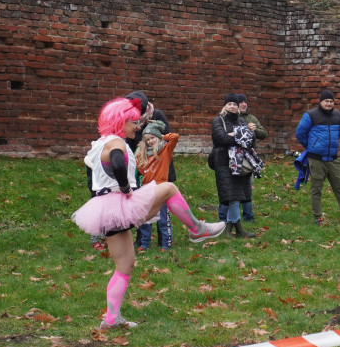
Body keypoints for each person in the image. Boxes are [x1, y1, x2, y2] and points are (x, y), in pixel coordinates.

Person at [72, 97, 225, 329]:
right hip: (120, 204)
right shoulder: (117, 143)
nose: (137, 126)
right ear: (121, 122)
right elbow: (118, 162)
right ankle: (197, 229)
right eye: (134, 122)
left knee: (125, 265)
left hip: (106, 209)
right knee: (169, 188)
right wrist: (125, 188)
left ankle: (111, 319)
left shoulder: (100, 143)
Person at [295, 89, 340, 226]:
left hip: (333, 158)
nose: (329, 104)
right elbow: (300, 133)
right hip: (316, 159)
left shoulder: (338, 116)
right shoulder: (310, 115)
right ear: (321, 101)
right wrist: (312, 146)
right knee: (316, 189)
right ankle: (318, 217)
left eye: (331, 101)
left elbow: (339, 133)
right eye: (326, 101)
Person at [210, 94, 256, 238]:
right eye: (229, 104)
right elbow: (221, 138)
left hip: (240, 163)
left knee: (235, 196)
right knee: (232, 196)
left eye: (235, 104)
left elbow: (250, 140)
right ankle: (237, 229)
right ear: (225, 106)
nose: (232, 106)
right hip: (223, 162)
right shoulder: (218, 120)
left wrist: (235, 134)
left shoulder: (242, 121)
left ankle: (231, 229)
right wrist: (241, 134)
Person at [134, 121, 178, 252]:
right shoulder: (142, 154)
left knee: (163, 218)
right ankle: (145, 243)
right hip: (146, 188)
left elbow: (174, 137)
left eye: (152, 138)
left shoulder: (165, 149)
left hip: (161, 187)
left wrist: (160, 136)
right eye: (147, 140)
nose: (150, 141)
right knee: (146, 218)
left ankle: (166, 244)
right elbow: (141, 170)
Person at [232, 93, 267, 224]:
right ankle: (228, 218)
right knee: (232, 188)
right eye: (240, 102)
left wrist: (255, 129)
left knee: (247, 186)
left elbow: (264, 134)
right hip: (234, 156)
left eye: (245, 102)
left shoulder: (251, 118)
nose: (244, 104)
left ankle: (248, 216)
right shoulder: (230, 117)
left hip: (248, 157)